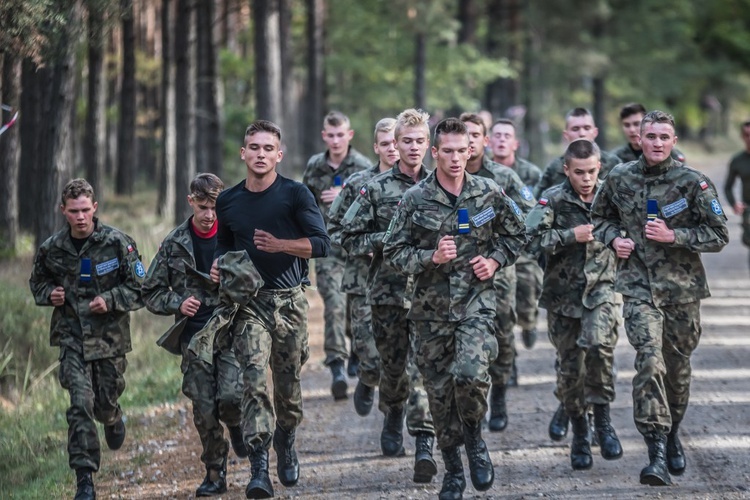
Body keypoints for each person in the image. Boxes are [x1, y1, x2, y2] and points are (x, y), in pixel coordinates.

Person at [384, 118, 527, 499]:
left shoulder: (489, 192)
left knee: (469, 376)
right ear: (435, 152)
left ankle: (475, 439)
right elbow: (393, 252)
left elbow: (518, 234)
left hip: (475, 304)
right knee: (439, 392)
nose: (453, 157)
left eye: (460, 150)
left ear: (470, 151)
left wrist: (494, 260)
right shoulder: (415, 199)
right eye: (445, 150)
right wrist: (430, 257)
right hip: (430, 313)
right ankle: (452, 470)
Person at [591, 110, 728, 486]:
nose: (655, 143)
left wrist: (676, 237)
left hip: (682, 291)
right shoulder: (619, 177)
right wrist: (613, 239)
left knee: (677, 370)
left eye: (663, 137)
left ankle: (672, 434)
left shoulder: (692, 183)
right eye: (650, 136)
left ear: (674, 140)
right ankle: (655, 453)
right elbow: (599, 217)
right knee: (649, 362)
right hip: (638, 287)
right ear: (640, 138)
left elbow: (718, 235)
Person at [212, 120, 330, 498]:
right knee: (252, 382)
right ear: (243, 153)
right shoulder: (227, 201)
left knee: (288, 390)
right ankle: (259, 468)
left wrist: (282, 245)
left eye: (267, 148)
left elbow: (322, 244)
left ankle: (287, 438)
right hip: (249, 305)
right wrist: (219, 265)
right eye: (253, 147)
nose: (260, 154)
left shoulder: (296, 195)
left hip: (289, 302)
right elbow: (223, 247)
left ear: (279, 155)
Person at [29, 178, 145, 500]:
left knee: (103, 405)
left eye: (85, 210)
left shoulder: (118, 243)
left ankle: (113, 417)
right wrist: (49, 294)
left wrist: (110, 299)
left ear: (95, 208)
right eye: (73, 211)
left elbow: (141, 287)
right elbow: (36, 283)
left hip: (109, 339)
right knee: (80, 403)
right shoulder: (51, 249)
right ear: (63, 211)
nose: (80, 217)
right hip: (71, 339)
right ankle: (84, 479)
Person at [339, 109, 437, 483]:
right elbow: (347, 236)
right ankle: (393, 413)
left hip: (432, 297)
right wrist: (386, 241)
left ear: (429, 145)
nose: (413, 148)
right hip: (387, 295)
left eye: (419, 141)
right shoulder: (374, 189)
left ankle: (425, 439)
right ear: (394, 145)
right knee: (393, 370)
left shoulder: (442, 186)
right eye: (406, 141)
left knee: (423, 370)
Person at [142, 173, 249, 497]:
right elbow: (150, 292)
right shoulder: (174, 243)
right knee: (204, 408)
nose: (209, 215)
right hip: (193, 337)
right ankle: (215, 472)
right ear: (191, 202)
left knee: (230, 399)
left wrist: (227, 277)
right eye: (202, 207)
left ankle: (236, 423)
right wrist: (177, 301)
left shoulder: (235, 238)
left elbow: (256, 283)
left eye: (214, 207)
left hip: (229, 330)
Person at [526, 139, 622, 471]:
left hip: (602, 292)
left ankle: (604, 422)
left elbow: (630, 233)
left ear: (600, 168)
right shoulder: (551, 198)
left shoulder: (611, 197)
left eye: (592, 171)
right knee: (570, 369)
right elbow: (529, 239)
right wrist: (570, 235)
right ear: (566, 169)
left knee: (599, 348)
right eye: (579, 172)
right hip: (562, 299)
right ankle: (580, 433)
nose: (586, 178)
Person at [460, 112, 535, 432]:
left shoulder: (503, 178)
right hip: (456, 277)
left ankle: (500, 393)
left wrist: (497, 254)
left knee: (503, 336)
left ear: (484, 140)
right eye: (465, 135)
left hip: (499, 274)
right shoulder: (444, 177)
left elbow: (531, 220)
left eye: (476, 135)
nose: (470, 141)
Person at [327, 117, 398, 417]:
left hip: (409, 285)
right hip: (364, 280)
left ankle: (395, 417)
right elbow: (336, 227)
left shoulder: (424, 184)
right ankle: (367, 379)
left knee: (402, 359)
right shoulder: (359, 184)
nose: (393, 149)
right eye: (385, 144)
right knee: (369, 353)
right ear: (376, 148)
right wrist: (366, 245)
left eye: (397, 142)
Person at [303, 111, 371, 399]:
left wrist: (346, 192)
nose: (335, 140)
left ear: (349, 135)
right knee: (333, 304)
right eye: (330, 135)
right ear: (323, 136)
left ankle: (356, 349)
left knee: (355, 308)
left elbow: (376, 204)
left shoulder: (364, 166)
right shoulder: (315, 167)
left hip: (357, 249)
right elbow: (302, 206)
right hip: (328, 248)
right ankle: (336, 367)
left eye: (340, 134)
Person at [489, 118, 543, 379]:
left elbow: (534, 209)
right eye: (496, 135)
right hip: (493, 252)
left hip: (522, 248)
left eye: (506, 135)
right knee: (502, 310)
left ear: (515, 143)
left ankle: (530, 320)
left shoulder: (529, 173)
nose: (501, 140)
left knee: (526, 295)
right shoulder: (477, 172)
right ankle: (507, 364)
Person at [533, 107, 622, 199]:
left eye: (587, 128)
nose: (582, 133)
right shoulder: (554, 168)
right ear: (566, 135)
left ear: (595, 132)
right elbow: (536, 200)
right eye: (575, 129)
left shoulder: (613, 164)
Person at [610, 103, 685, 163]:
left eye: (636, 124)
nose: (632, 130)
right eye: (627, 125)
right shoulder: (614, 157)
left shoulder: (672, 155)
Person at [723, 119, 750, 271]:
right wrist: (734, 204)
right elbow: (727, 187)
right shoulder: (738, 160)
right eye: (747, 135)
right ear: (742, 136)